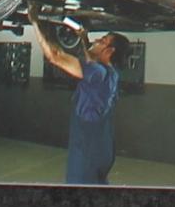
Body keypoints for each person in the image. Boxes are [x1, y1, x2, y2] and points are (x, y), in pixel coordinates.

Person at [28, 15, 123, 184]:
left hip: (87, 150)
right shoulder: (112, 74)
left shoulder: (97, 72)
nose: (97, 41)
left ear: (110, 51)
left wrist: (35, 21)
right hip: (104, 150)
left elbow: (55, 56)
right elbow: (91, 60)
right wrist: (84, 38)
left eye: (102, 41)